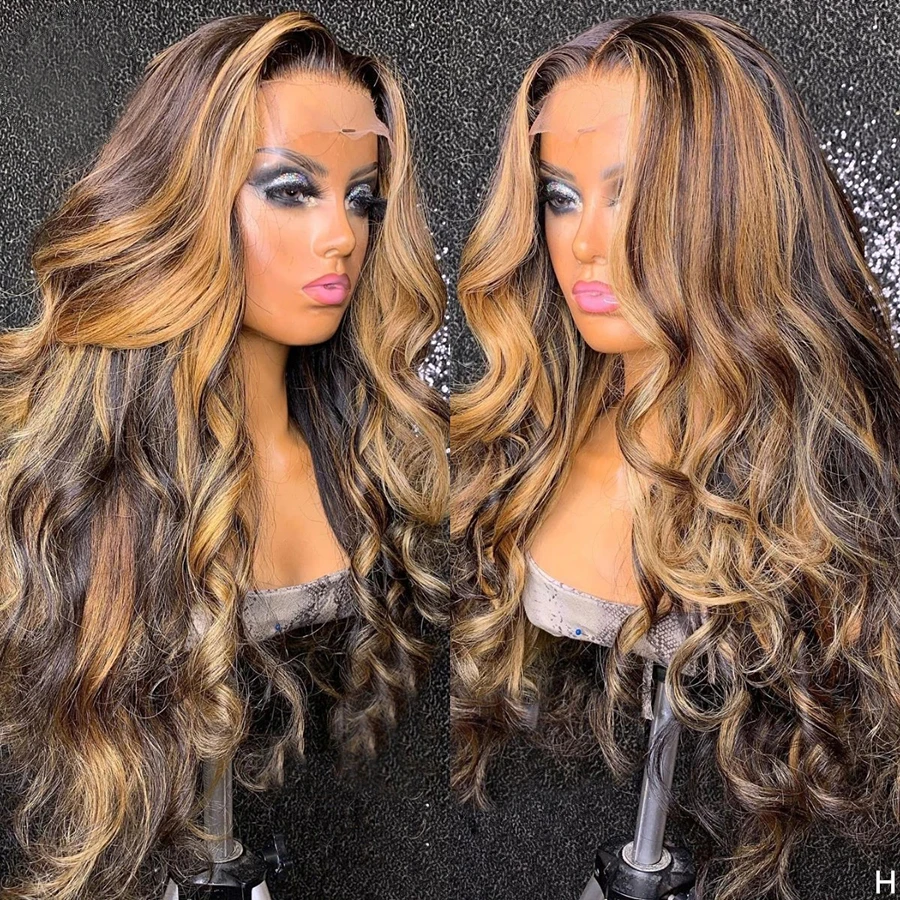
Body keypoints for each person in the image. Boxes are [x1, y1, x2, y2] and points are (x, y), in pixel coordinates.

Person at [451, 11, 900, 900]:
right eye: (561, 196)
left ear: (734, 203)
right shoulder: (506, 465)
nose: (584, 242)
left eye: (629, 193)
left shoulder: (845, 508)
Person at [0, 11, 448, 899]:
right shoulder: (74, 485)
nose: (342, 236)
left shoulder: (370, 466)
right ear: (188, 197)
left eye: (362, 198)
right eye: (291, 190)